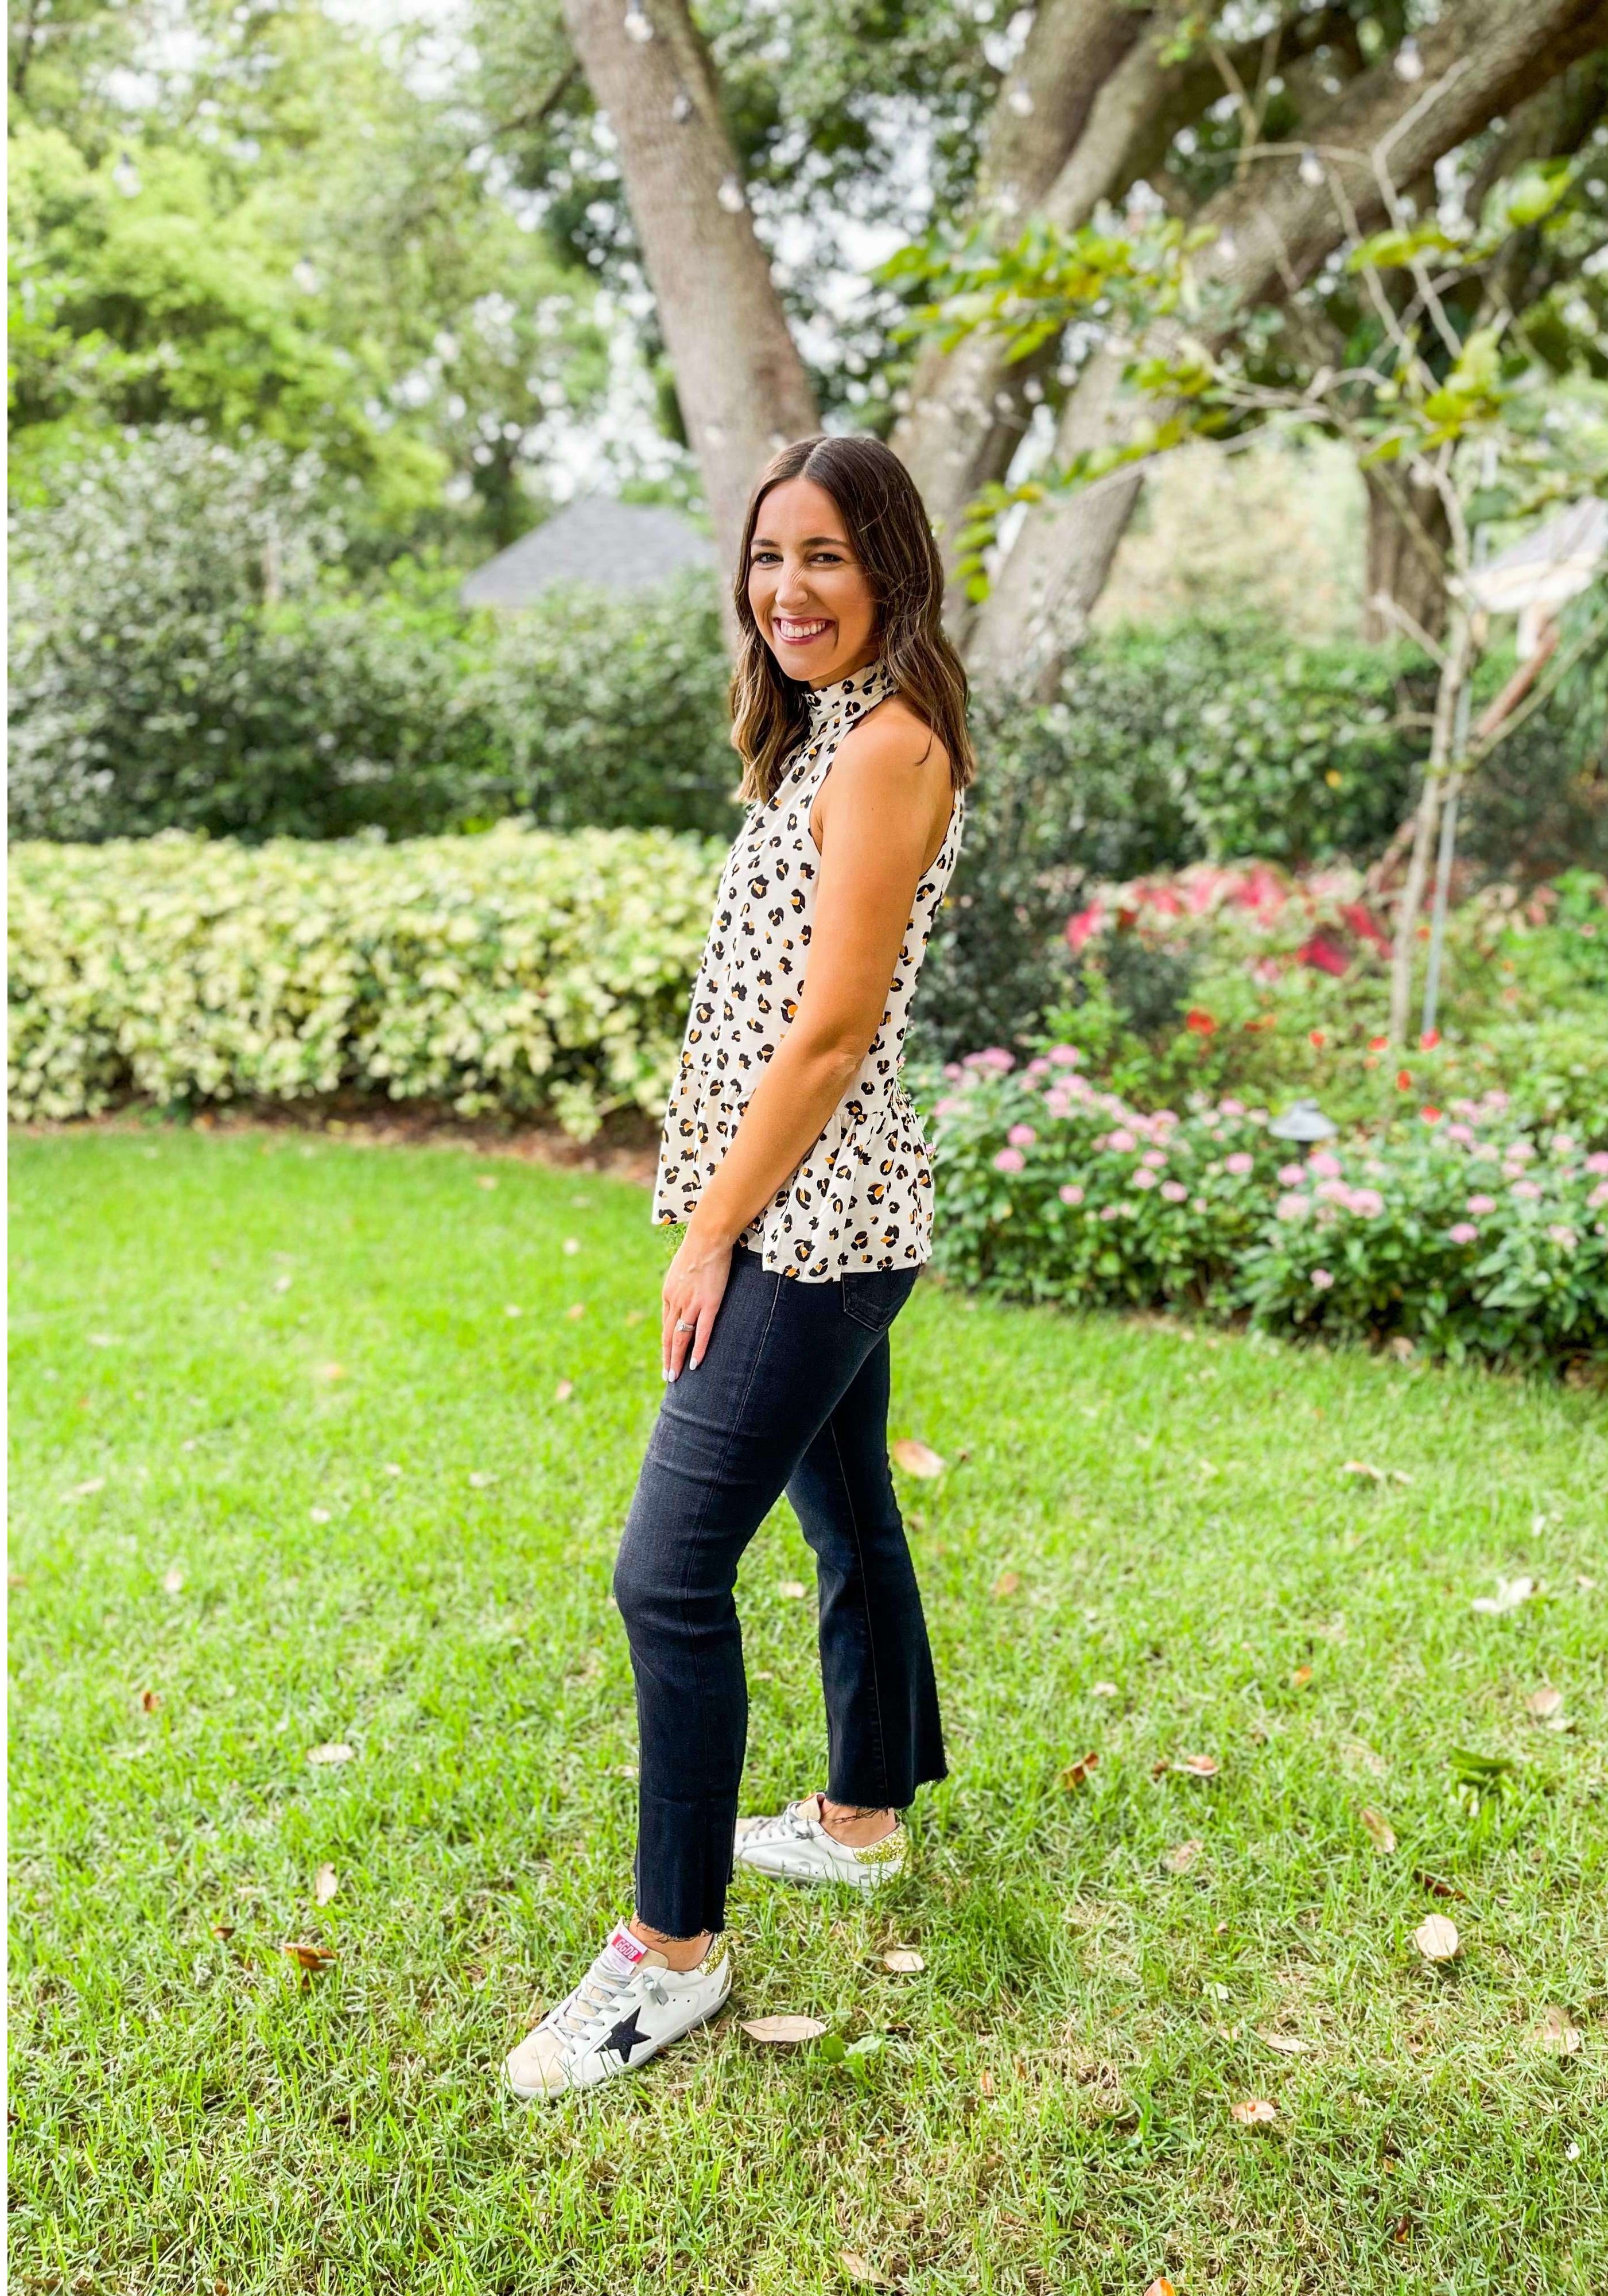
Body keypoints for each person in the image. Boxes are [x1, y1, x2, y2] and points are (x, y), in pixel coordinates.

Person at [505, 433, 976, 2099]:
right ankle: (860, 1820)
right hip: (821, 1208)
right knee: (848, 1512)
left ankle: (672, 1953)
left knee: (668, 1575)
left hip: (811, 1225)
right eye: (771, 557)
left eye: (826, 555)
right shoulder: (836, 731)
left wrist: (713, 1231)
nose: (789, 588)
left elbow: (833, 1030)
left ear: (892, 568)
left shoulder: (891, 748)